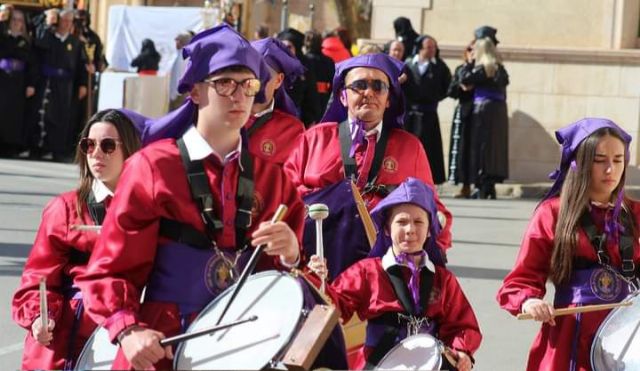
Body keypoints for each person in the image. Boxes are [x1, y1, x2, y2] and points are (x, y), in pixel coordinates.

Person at [76, 25, 307, 370]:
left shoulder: (273, 179)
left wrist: (291, 254)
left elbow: (284, 285)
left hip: (241, 349)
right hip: (162, 343)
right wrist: (128, 330)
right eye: (225, 83)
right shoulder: (153, 167)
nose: (239, 96)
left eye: (249, 85)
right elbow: (108, 270)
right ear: (195, 92)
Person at [284, 53, 453, 278]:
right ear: (343, 96)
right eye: (359, 85)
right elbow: (285, 198)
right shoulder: (314, 139)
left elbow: (434, 210)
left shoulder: (409, 147)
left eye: (379, 86)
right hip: (317, 263)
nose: (369, 93)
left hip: (383, 274)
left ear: (389, 99)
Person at [497, 118, 640, 371]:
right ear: (580, 163)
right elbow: (522, 278)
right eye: (600, 160)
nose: (611, 170)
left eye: (618, 160)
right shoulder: (553, 212)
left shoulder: (635, 213)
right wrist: (529, 301)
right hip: (572, 333)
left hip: (630, 336)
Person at [11, 109, 142, 370]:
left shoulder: (146, 209)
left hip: (127, 329)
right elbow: (37, 278)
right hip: (67, 335)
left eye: (107, 145)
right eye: (88, 145)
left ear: (129, 150)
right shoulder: (64, 208)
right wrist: (40, 315)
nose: (95, 153)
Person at [307, 178, 481, 370]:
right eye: (402, 222)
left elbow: (462, 325)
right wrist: (316, 280)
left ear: (429, 231)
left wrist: (461, 350)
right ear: (387, 229)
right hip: (377, 363)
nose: (410, 230)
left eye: (418, 222)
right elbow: (334, 307)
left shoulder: (443, 280)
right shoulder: (367, 272)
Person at [25, 9, 88, 161]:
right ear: (58, 21)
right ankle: (38, 148)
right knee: (43, 113)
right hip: (46, 81)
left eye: (70, 21)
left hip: (65, 84)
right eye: (64, 20)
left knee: (62, 116)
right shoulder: (48, 38)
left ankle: (58, 150)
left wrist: (83, 84)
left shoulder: (76, 43)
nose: (67, 24)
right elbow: (37, 58)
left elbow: (81, 65)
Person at [460, 37, 509, 199]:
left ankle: (481, 183)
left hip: (482, 109)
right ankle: (490, 184)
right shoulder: (499, 68)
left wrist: (468, 62)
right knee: (495, 146)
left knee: (480, 145)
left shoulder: (481, 69)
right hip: (499, 110)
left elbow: (464, 79)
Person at [248, 37, 306, 165]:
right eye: (251, 71)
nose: (257, 79)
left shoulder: (292, 130)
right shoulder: (225, 116)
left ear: (278, 80)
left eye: (265, 73)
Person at [405, 35, 451, 185]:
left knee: (430, 149)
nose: (432, 51)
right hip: (411, 114)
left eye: (434, 48)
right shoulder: (409, 64)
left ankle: (428, 181)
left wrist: (434, 96)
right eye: (429, 47)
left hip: (429, 113)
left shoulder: (440, 67)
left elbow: (447, 87)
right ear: (420, 48)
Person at [0, 9, 36, 157]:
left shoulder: (27, 42)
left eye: (20, 20)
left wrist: (31, 84)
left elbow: (33, 65)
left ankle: (12, 146)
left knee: (15, 115)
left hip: (19, 81)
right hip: (2, 79)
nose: (16, 23)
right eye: (14, 19)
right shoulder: (2, 37)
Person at [447, 41, 475, 198]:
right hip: (464, 111)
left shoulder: (482, 69)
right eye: (470, 49)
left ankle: (478, 184)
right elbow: (450, 91)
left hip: (478, 112)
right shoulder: (460, 69)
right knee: (463, 148)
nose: (472, 52)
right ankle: (464, 185)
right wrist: (461, 86)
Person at [277, 27, 321, 126]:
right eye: (282, 47)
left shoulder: (305, 67)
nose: (285, 51)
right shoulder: (273, 65)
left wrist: (309, 120)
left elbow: (311, 98)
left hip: (296, 121)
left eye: (289, 47)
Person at [303, 30, 334, 116]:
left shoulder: (303, 60)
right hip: (323, 98)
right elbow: (333, 82)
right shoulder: (328, 61)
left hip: (306, 99)